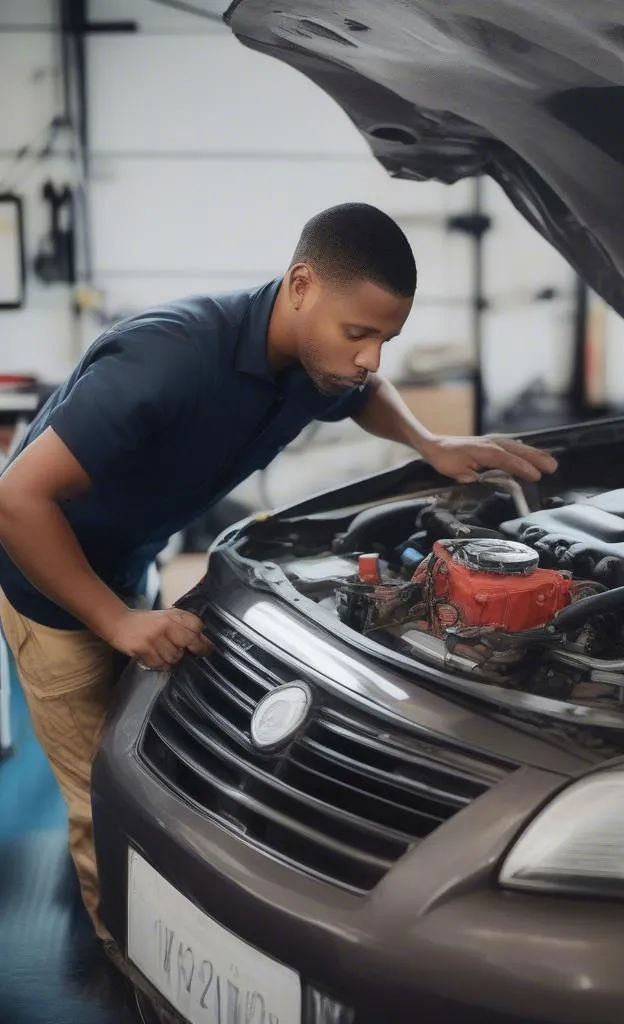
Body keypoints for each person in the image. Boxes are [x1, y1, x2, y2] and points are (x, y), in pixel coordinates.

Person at [0, 202, 557, 942]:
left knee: (148, 759)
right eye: (359, 335)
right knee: (103, 796)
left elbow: (365, 392)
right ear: (300, 285)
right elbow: (14, 499)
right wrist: (117, 621)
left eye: (386, 338)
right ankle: (121, 963)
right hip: (49, 586)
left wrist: (431, 444)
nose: (371, 358)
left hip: (127, 562)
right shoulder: (168, 360)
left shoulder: (310, 360)